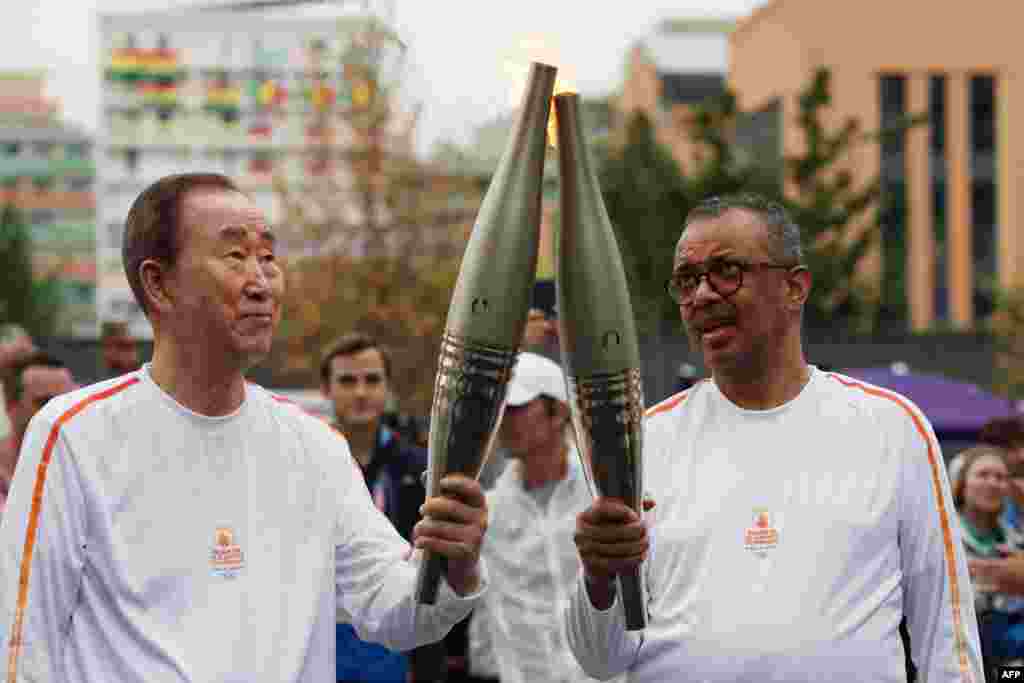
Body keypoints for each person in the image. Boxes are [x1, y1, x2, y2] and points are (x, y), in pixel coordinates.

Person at [0, 173, 488, 682]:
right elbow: (22, 647)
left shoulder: (315, 448)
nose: (261, 282)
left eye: (269, 258)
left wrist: (454, 563)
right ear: (158, 283)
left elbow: (397, 608)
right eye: (235, 257)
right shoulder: (74, 436)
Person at [566, 193, 984, 682]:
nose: (701, 296)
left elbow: (947, 636)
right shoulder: (640, 444)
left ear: (795, 287)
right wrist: (598, 578)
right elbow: (599, 661)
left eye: (726, 271)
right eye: (686, 280)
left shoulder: (892, 427)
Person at [467, 352, 616, 683]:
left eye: (516, 406)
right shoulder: (487, 512)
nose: (503, 419)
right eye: (498, 408)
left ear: (559, 412)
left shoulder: (605, 499)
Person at [319, 332, 442, 682]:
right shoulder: (303, 464)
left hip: (398, 641)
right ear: (326, 389)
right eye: (347, 380)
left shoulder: (420, 469)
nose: (360, 392)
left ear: (387, 387)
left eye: (372, 380)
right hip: (324, 636)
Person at [952, 445, 1024, 669]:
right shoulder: (941, 540)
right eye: (983, 475)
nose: (992, 483)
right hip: (956, 663)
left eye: (1001, 477)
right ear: (961, 485)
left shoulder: (1017, 542)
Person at [0, 351, 77, 514]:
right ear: (10, 404)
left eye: (69, 402)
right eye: (45, 403)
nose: (61, 414)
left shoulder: (88, 476)